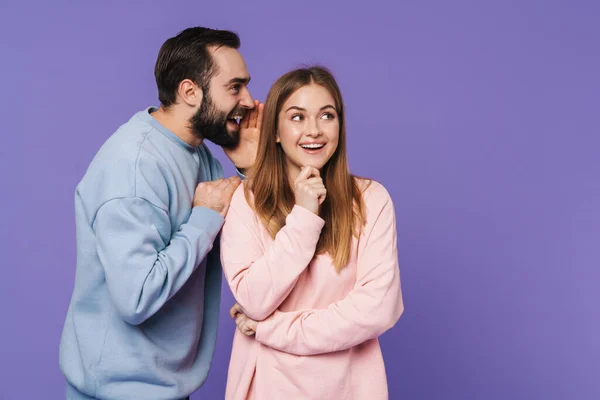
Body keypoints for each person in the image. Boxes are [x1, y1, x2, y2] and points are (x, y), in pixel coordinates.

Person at [58, 26, 263, 400]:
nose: (249, 101)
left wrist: (248, 169)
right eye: (235, 87)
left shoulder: (195, 152)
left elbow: (243, 236)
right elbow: (135, 298)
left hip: (162, 387)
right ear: (189, 91)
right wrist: (202, 218)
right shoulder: (135, 167)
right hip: (117, 393)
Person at [220, 66, 404, 399]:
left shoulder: (371, 199)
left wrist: (272, 329)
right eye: (297, 117)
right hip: (267, 387)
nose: (314, 131)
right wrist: (304, 216)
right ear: (274, 131)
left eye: (327, 116)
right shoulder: (246, 202)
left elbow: (377, 309)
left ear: (340, 125)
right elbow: (254, 300)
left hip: (349, 388)